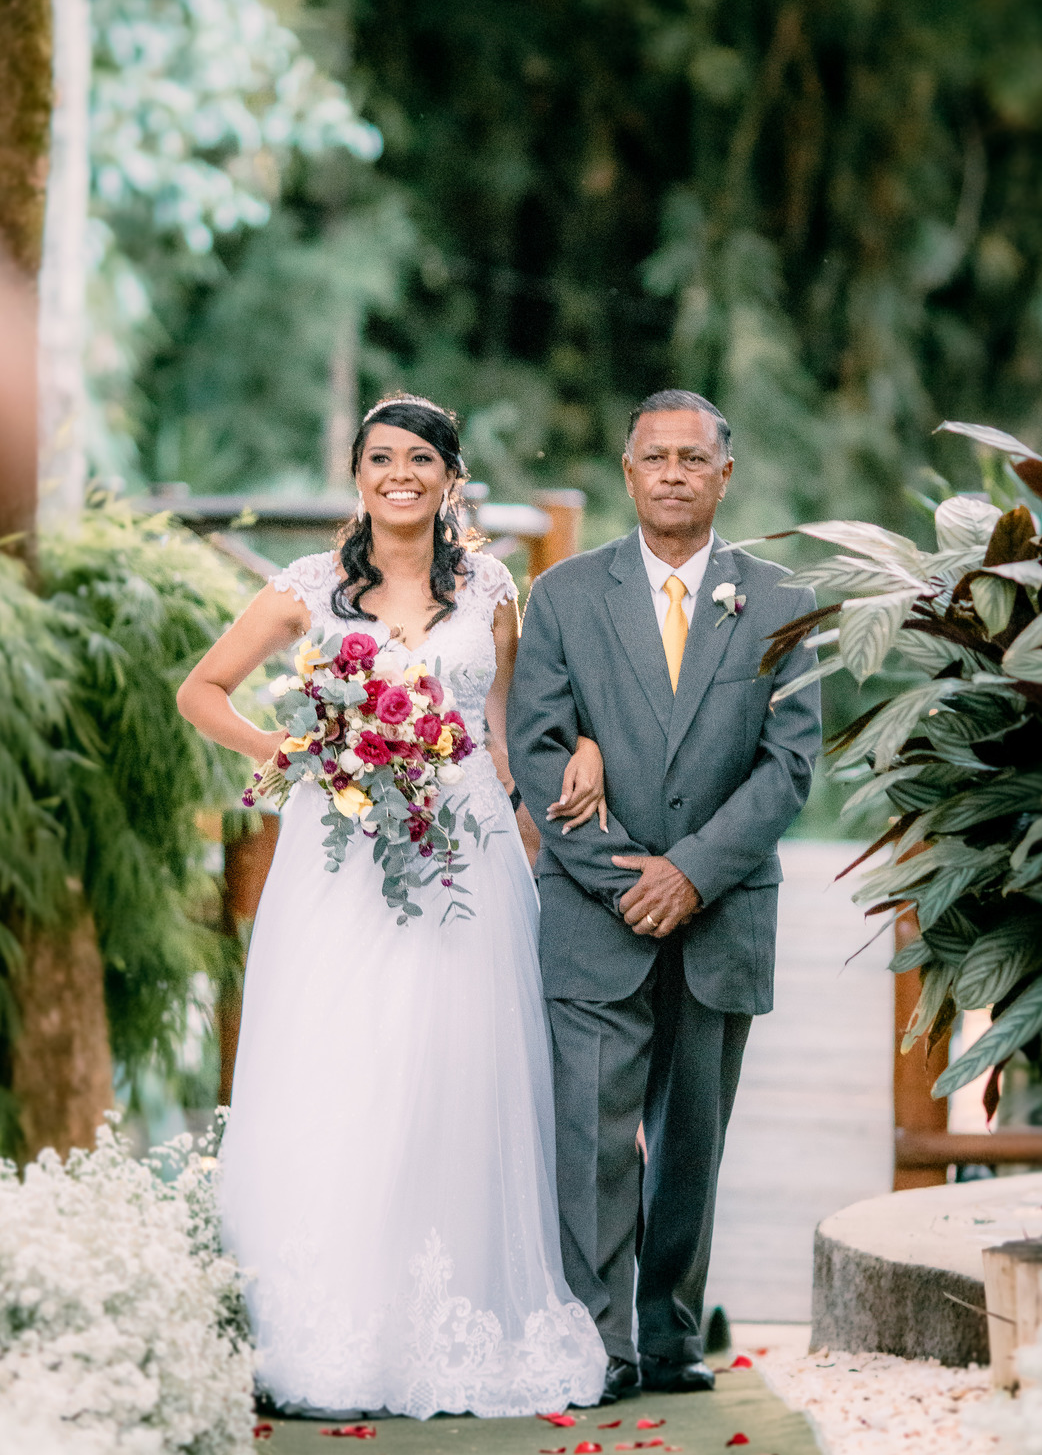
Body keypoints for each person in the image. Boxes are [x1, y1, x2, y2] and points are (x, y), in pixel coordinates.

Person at [176, 394, 608, 1419]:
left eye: (421, 458)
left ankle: (455, 1318)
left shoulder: (492, 588)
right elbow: (202, 690)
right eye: (381, 458)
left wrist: (578, 758)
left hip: (469, 855)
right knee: (344, 1064)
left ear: (452, 477)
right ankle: (326, 1326)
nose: (400, 475)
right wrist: (292, 753)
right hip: (344, 857)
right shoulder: (308, 588)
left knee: (460, 1068)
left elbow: (510, 728)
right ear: (358, 474)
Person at [507, 390, 821, 1405]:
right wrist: (625, 877)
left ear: (726, 473)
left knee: (691, 1142)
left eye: (693, 458)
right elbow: (536, 749)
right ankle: (597, 1345)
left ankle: (670, 1334)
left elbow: (789, 764)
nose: (674, 474)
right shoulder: (563, 596)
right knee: (592, 1143)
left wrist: (690, 873)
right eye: (655, 457)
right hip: (593, 913)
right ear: (628, 471)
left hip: (721, 913)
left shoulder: (780, 599)